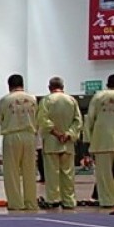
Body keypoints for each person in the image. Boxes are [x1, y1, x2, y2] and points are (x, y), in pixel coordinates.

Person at [37, 77, 83, 209]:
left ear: (49, 87)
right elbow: (78, 121)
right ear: (63, 86)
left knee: (52, 174)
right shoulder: (71, 100)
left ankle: (53, 200)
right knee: (68, 174)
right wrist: (68, 134)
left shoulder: (46, 100)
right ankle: (69, 201)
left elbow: (42, 120)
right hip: (67, 143)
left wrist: (56, 133)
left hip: (51, 142)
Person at [0, 74, 39, 211]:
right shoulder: (32, 99)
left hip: (11, 135)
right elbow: (36, 118)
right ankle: (31, 202)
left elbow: (1, 118)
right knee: (30, 170)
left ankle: (15, 203)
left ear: (9, 85)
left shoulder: (5, 100)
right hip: (29, 135)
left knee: (12, 171)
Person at [84, 73, 114, 212]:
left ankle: (106, 201)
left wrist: (87, 141)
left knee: (104, 176)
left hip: (102, 140)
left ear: (107, 84)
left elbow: (89, 119)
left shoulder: (98, 97)